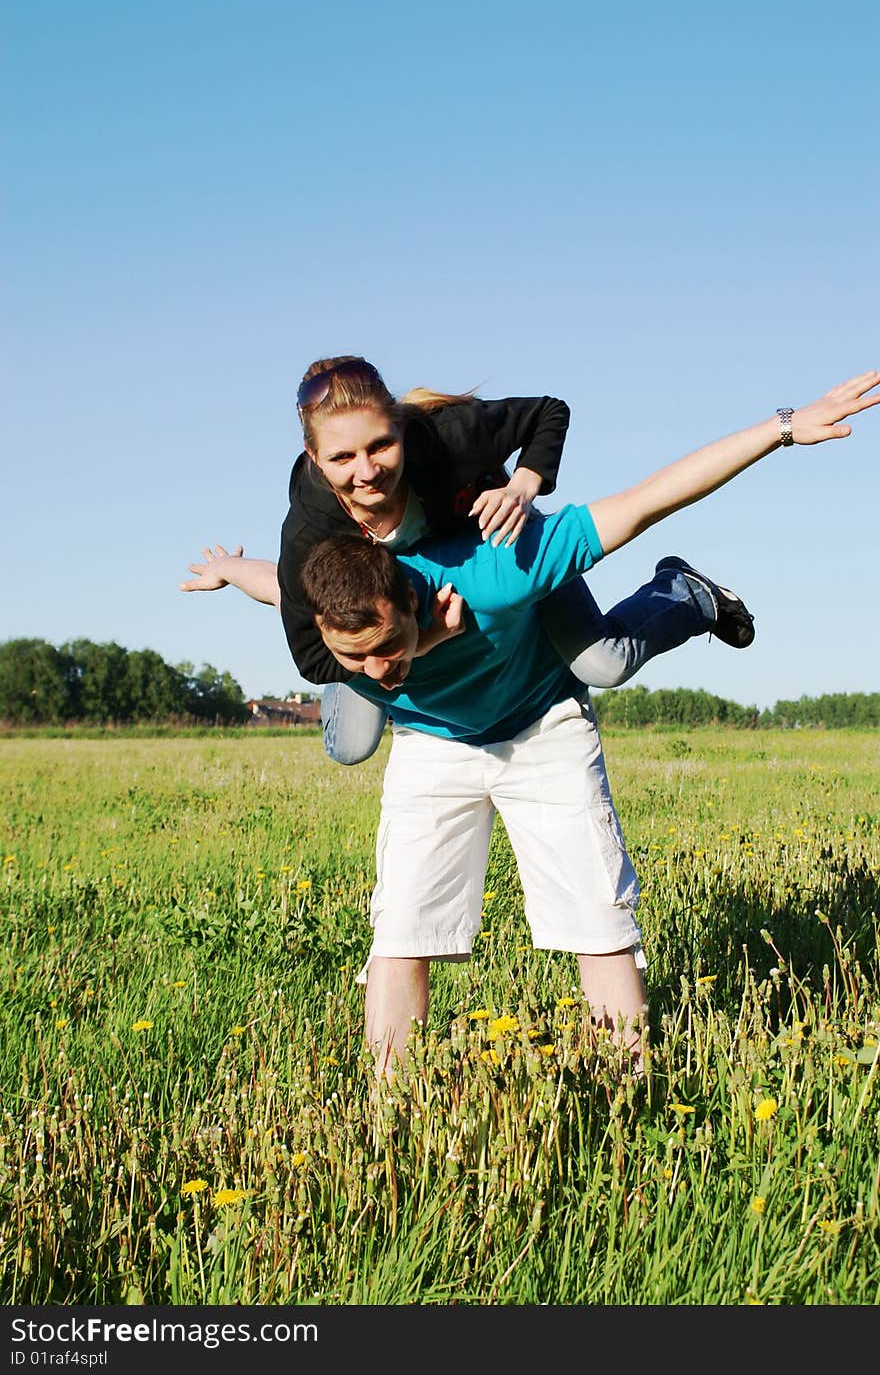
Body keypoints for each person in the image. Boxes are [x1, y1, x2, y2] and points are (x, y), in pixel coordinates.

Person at [288, 368, 879, 1079]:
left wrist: (781, 427)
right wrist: (237, 574)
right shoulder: (326, 571)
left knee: (597, 915)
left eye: (388, 647)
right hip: (429, 740)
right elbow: (279, 588)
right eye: (358, 653)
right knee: (400, 927)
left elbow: (648, 500)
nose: (377, 663)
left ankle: (628, 1087)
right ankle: (388, 1100)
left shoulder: (498, 564)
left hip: (540, 722)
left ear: (424, 611)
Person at [182, 357, 756, 765]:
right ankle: (370, 639)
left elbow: (556, 420)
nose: (366, 471)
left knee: (602, 663)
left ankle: (684, 593)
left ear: (400, 430)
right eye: (341, 458)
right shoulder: (312, 523)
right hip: (385, 597)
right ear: (315, 458)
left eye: (380, 446)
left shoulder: (447, 438)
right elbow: (303, 625)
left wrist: (525, 486)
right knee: (349, 744)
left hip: (496, 539)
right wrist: (417, 644)